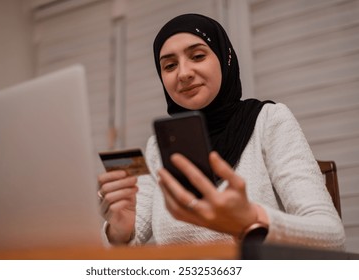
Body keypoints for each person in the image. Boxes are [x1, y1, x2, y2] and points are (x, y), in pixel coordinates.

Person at [98, 13, 345, 249]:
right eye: (170, 65)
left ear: (224, 58)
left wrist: (252, 219)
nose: (183, 74)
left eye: (197, 56)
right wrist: (120, 230)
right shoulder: (158, 146)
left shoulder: (269, 121)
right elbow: (125, 242)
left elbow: (331, 235)